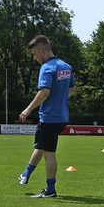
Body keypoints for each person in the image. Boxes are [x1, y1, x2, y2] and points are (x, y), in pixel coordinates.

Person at [18, 35, 76, 198]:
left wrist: (28, 110)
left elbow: (44, 92)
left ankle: (48, 188)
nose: (35, 58)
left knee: (47, 152)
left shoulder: (47, 68)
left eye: (35, 54)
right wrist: (60, 100)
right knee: (45, 149)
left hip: (49, 117)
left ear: (42, 51)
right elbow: (72, 89)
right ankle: (28, 176)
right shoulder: (66, 66)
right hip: (62, 117)